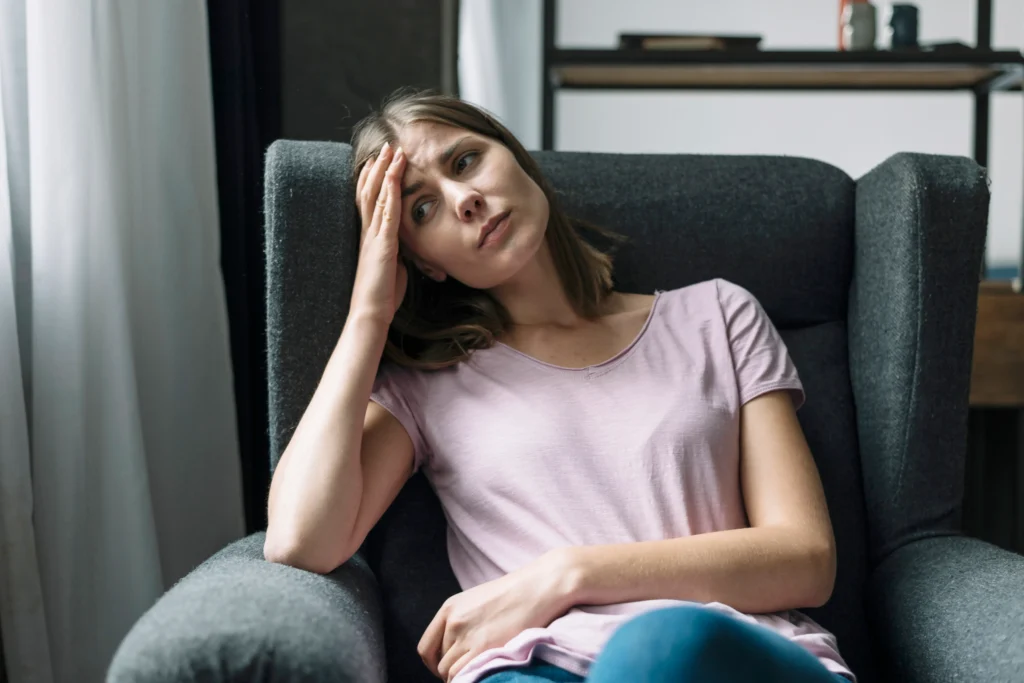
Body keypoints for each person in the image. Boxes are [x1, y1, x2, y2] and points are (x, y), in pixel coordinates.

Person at [262, 87, 856, 683]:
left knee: (664, 647)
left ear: (517, 158)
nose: (464, 199)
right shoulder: (426, 384)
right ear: (421, 262)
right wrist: (370, 311)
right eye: (421, 209)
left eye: (465, 161)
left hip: (724, 656)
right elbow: (300, 541)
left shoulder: (719, 317)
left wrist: (565, 575)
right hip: (531, 667)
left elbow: (806, 559)